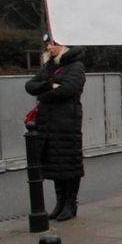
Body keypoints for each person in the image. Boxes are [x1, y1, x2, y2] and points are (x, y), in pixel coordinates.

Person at [25, 33, 87, 221]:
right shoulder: (51, 66)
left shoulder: (76, 66)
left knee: (69, 162)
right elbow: (30, 85)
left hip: (67, 121)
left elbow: (68, 90)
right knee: (54, 162)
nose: (49, 48)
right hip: (48, 121)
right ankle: (60, 202)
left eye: (54, 44)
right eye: (48, 45)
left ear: (65, 45)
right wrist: (49, 85)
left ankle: (71, 203)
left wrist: (44, 93)